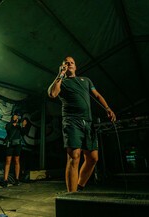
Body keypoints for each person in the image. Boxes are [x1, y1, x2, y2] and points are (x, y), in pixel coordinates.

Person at [47, 56, 116, 192]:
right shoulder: (62, 82)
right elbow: (52, 94)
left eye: (72, 62)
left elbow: (97, 95)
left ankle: (79, 187)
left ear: (76, 66)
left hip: (88, 122)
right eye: (66, 63)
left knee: (93, 158)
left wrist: (107, 108)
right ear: (63, 67)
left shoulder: (86, 80)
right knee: (74, 157)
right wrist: (60, 74)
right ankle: (71, 196)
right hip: (72, 121)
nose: (69, 64)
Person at [1, 114, 28, 187]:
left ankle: (17, 179)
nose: (16, 118)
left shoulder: (19, 127)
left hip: (17, 145)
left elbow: (23, 133)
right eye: (14, 117)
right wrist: (12, 121)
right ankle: (5, 180)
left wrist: (23, 126)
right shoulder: (9, 125)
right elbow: (8, 129)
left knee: (16, 161)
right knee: (8, 161)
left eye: (17, 117)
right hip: (10, 145)